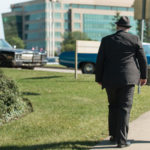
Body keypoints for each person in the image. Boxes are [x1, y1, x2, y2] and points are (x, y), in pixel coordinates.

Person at [95, 16, 147, 148]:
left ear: (117, 26)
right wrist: (143, 76)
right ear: (128, 28)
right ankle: (122, 141)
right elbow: (142, 59)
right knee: (124, 108)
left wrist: (99, 78)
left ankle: (113, 136)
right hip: (128, 79)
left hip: (110, 78)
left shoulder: (106, 40)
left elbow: (100, 60)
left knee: (112, 106)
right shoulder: (134, 39)